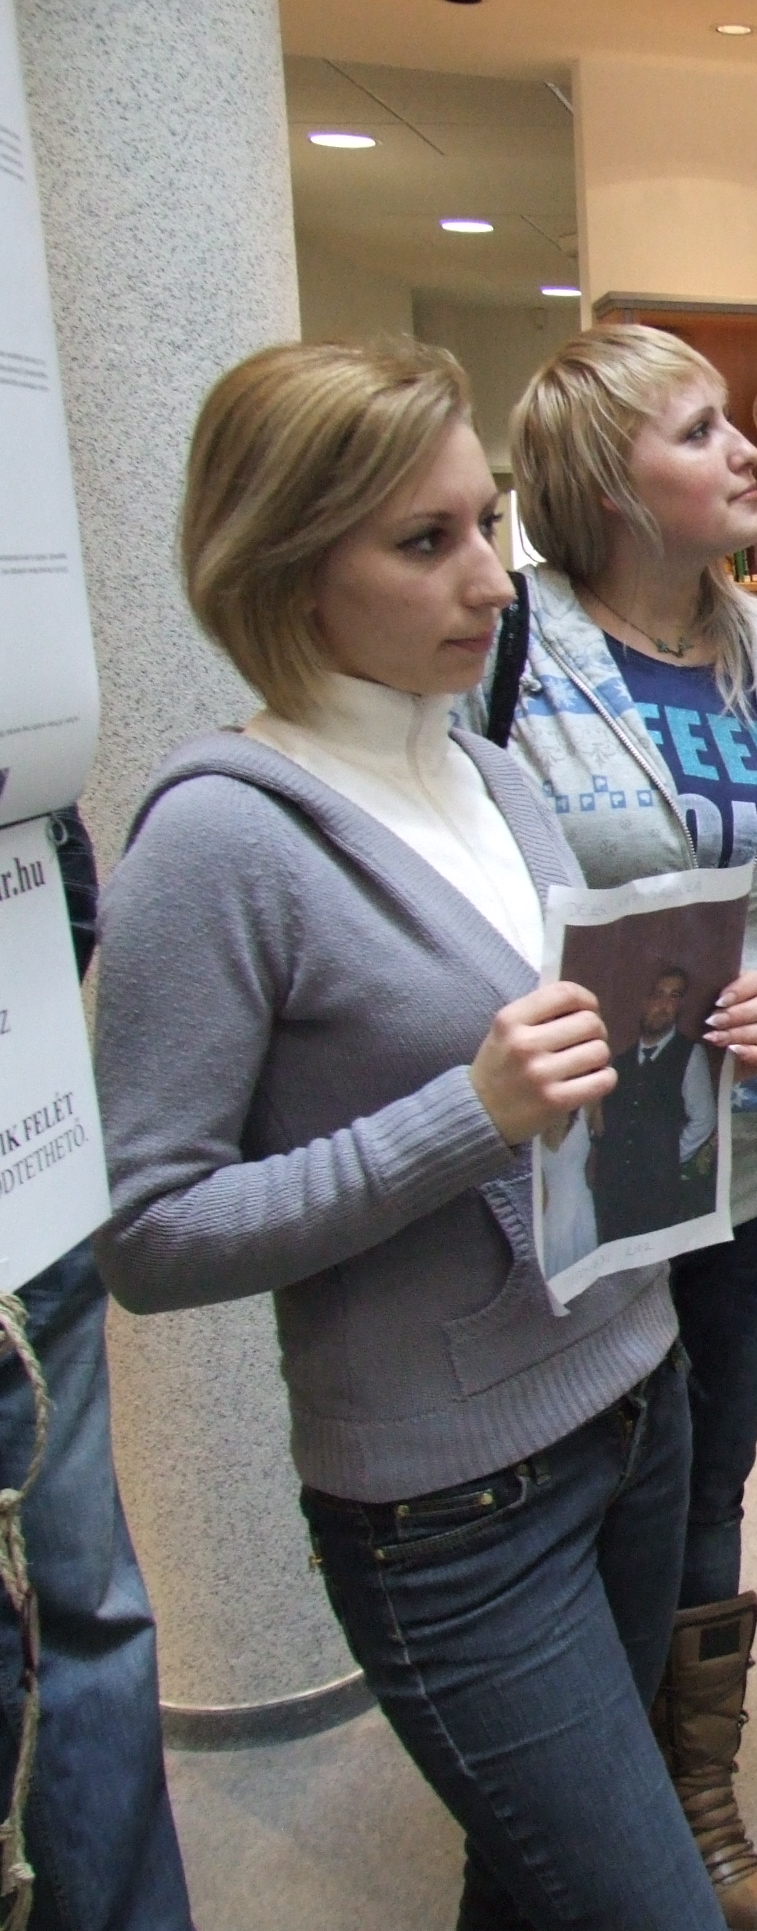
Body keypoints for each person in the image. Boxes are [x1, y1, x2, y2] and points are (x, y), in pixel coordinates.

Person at [94, 337, 757, 1931]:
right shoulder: (217, 843)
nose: (489, 579)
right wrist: (466, 1113)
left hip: (636, 1398)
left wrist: (689, 1044)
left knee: (531, 1886)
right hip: (452, 1503)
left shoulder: (488, 776)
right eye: (425, 541)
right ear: (284, 567)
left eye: (486, 525)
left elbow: (568, 1079)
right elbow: (149, 1236)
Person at [499, 321, 757, 1931]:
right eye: (701, 428)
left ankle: (692, 1782)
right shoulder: (503, 653)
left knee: (711, 1475)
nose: (748, 451)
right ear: (607, 480)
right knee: (576, 1488)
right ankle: (575, 1792)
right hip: (576, 1168)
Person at [0, 811, 193, 1931]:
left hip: (25, 1198)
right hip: (23, 1175)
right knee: (84, 1637)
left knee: (84, 1637)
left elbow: (70, 887)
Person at [589, 963, 722, 1243]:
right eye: (658, 994)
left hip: (656, 1196)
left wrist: (668, 1159)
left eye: (674, 996)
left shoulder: (689, 1054)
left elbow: (704, 1119)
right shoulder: (620, 1062)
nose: (664, 1005)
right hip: (613, 1193)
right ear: (645, 1001)